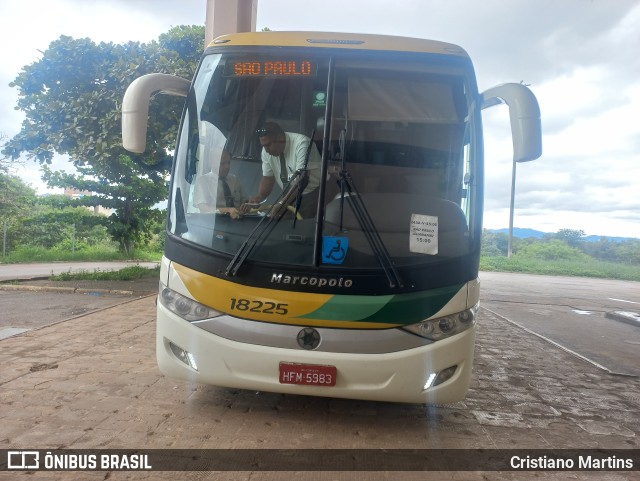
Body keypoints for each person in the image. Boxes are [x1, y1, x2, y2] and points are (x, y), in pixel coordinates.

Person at [242, 122, 321, 218]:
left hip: (311, 193)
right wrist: (259, 197)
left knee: (302, 227)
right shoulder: (266, 150)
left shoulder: (303, 144)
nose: (266, 150)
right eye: (263, 146)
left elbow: (302, 181)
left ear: (280, 138)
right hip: (289, 192)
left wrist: (283, 203)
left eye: (268, 145)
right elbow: (268, 178)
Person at [193, 150, 245, 219]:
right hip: (215, 224)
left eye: (228, 163)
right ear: (211, 163)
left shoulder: (234, 180)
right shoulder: (203, 181)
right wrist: (227, 210)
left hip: (238, 222)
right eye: (222, 163)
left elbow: (244, 200)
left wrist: (248, 204)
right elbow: (204, 209)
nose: (227, 166)